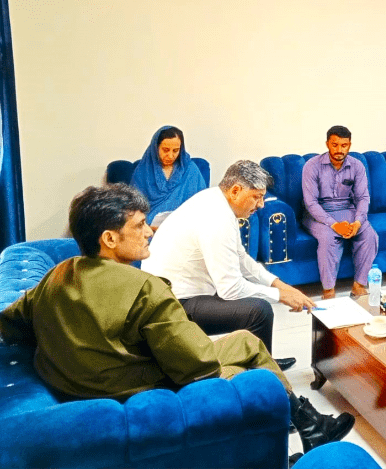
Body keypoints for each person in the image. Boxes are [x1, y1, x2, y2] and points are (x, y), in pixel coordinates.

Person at [0, 184, 355, 455]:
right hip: (135, 391)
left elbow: (11, 323)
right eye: (139, 226)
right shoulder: (144, 288)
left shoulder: (58, 275)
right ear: (109, 238)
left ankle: (311, 425)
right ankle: (304, 427)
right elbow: (195, 366)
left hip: (81, 385)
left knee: (245, 342)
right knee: (251, 360)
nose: (149, 231)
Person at [142, 160, 316, 371]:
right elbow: (231, 289)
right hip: (174, 306)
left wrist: (280, 285)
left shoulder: (217, 201)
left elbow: (241, 258)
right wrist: (281, 297)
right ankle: (263, 373)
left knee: (256, 302)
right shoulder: (216, 219)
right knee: (258, 310)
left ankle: (261, 360)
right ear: (235, 191)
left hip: (180, 294)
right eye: (257, 197)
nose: (261, 205)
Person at [301, 125, 379, 299]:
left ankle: (359, 285)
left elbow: (363, 198)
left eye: (344, 145)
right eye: (334, 145)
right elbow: (310, 203)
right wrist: (335, 225)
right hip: (317, 214)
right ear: (327, 144)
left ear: (349, 145)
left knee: (370, 235)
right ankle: (328, 290)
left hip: (347, 210)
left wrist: (357, 222)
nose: (339, 150)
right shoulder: (311, 166)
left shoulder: (357, 166)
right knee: (328, 238)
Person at [130, 126, 207, 227]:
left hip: (185, 228)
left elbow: (203, 204)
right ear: (155, 148)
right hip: (149, 229)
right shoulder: (143, 171)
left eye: (175, 151)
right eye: (165, 150)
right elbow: (132, 209)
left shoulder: (190, 169)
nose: (170, 156)